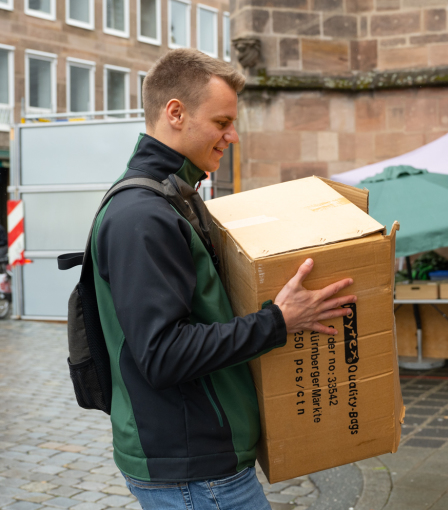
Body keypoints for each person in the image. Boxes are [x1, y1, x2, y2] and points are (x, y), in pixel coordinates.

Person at [91, 48, 355, 509]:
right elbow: (162, 355)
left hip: (201, 464)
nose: (232, 135)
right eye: (221, 122)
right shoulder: (143, 216)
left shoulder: (174, 198)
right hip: (194, 472)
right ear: (176, 113)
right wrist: (278, 321)